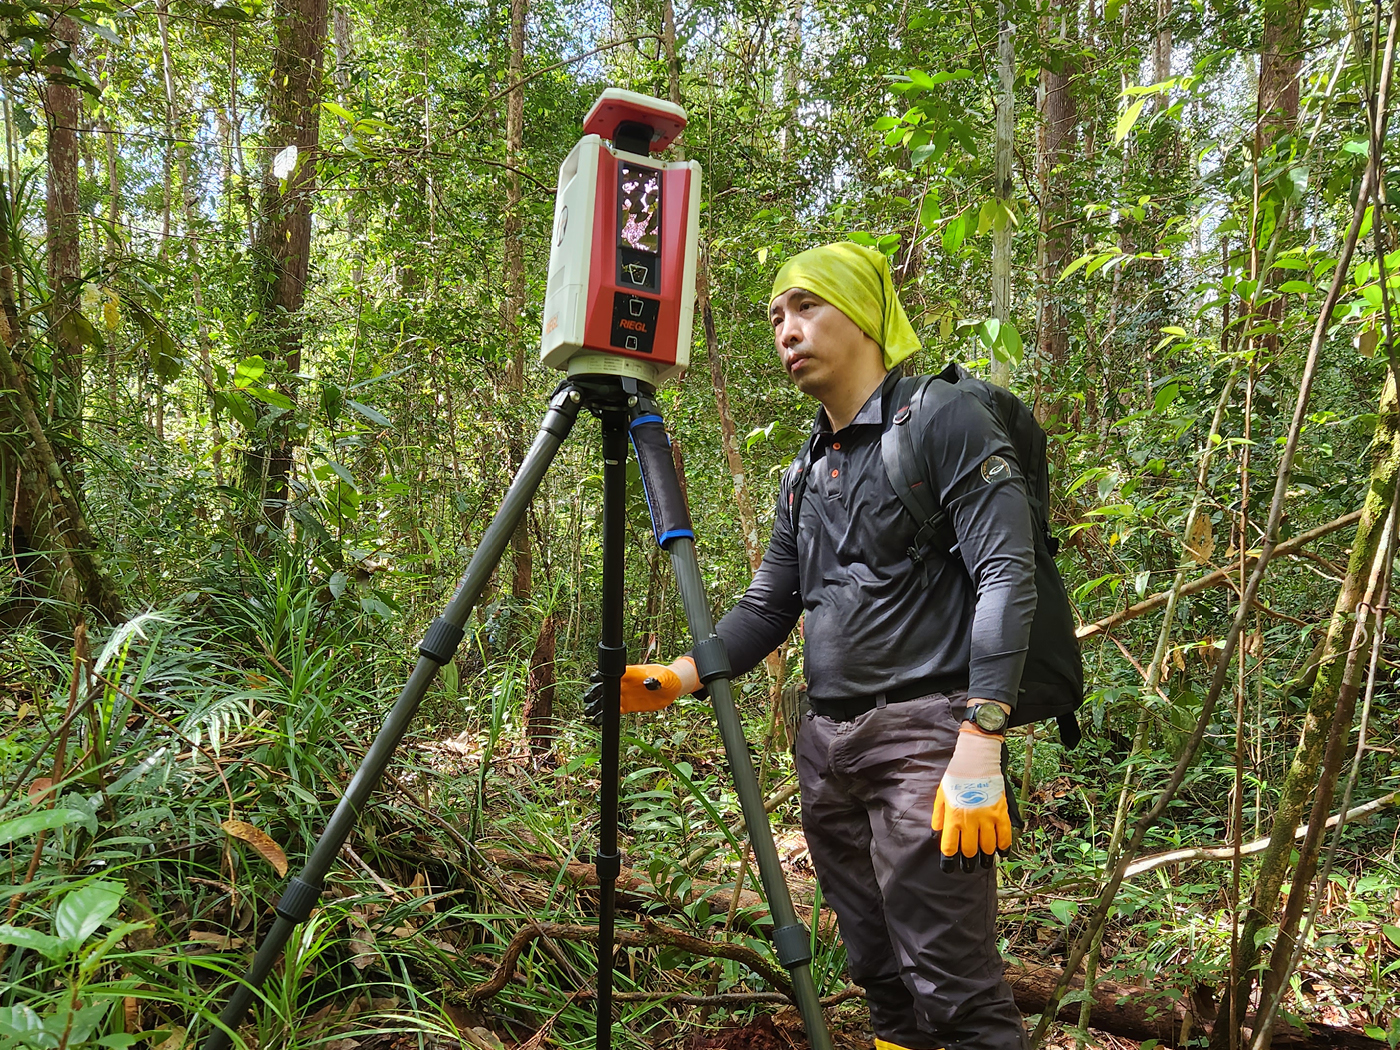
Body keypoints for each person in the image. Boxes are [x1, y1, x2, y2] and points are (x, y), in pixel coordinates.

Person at [610, 242, 1035, 1050]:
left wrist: (982, 734)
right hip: (828, 747)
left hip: (928, 742)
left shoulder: (946, 418)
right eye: (776, 317)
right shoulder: (805, 470)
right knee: (877, 971)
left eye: (807, 307)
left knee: (953, 983)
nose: (787, 331)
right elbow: (772, 603)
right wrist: (681, 673)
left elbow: (1008, 574)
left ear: (866, 313)